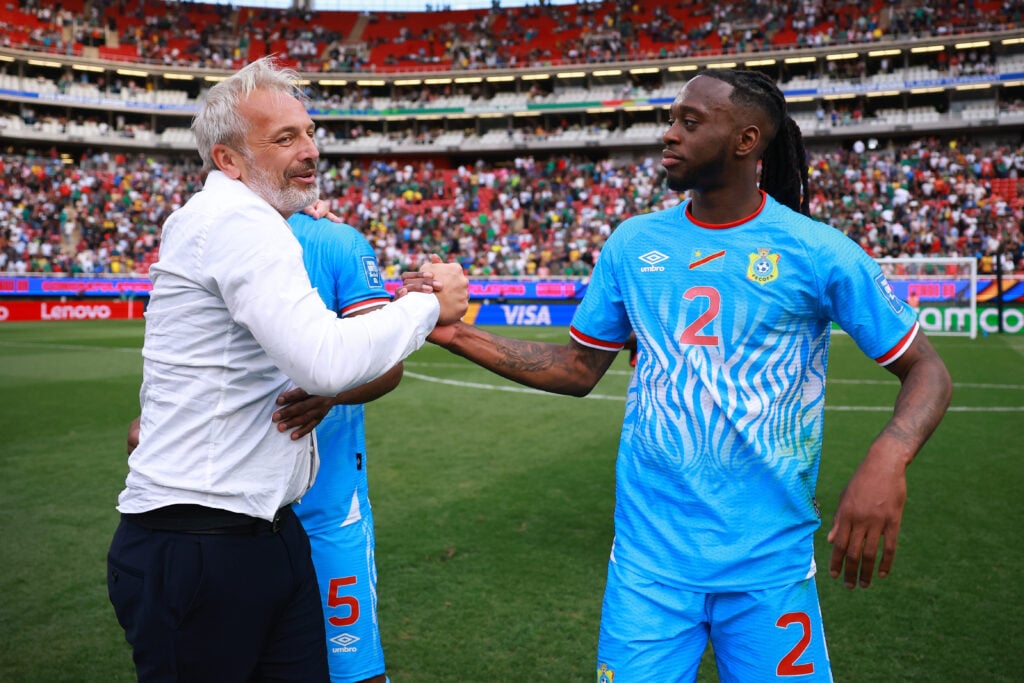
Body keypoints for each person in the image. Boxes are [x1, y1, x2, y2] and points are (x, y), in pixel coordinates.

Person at [421, 69, 952, 682]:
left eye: (689, 122)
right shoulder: (633, 242)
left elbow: (927, 371)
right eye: (671, 118)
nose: (668, 134)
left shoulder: (817, 250)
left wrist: (890, 455)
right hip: (648, 566)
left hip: (768, 568)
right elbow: (576, 367)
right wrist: (456, 334)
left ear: (747, 140)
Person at [107, 55, 467, 683]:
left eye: (307, 131)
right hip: (202, 540)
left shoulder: (232, 220)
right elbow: (325, 362)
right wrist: (429, 304)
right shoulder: (239, 223)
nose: (310, 151)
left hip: (261, 531)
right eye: (284, 138)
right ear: (229, 161)